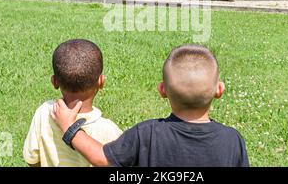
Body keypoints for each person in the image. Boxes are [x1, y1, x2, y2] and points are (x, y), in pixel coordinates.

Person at [52, 44, 249, 167]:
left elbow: (102, 159)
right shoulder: (232, 139)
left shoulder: (147, 133)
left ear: (162, 90)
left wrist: (71, 129)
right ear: (219, 90)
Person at [23, 39, 122, 167]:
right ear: (101, 81)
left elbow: (32, 159)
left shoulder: (44, 113)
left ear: (54, 82)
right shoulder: (108, 131)